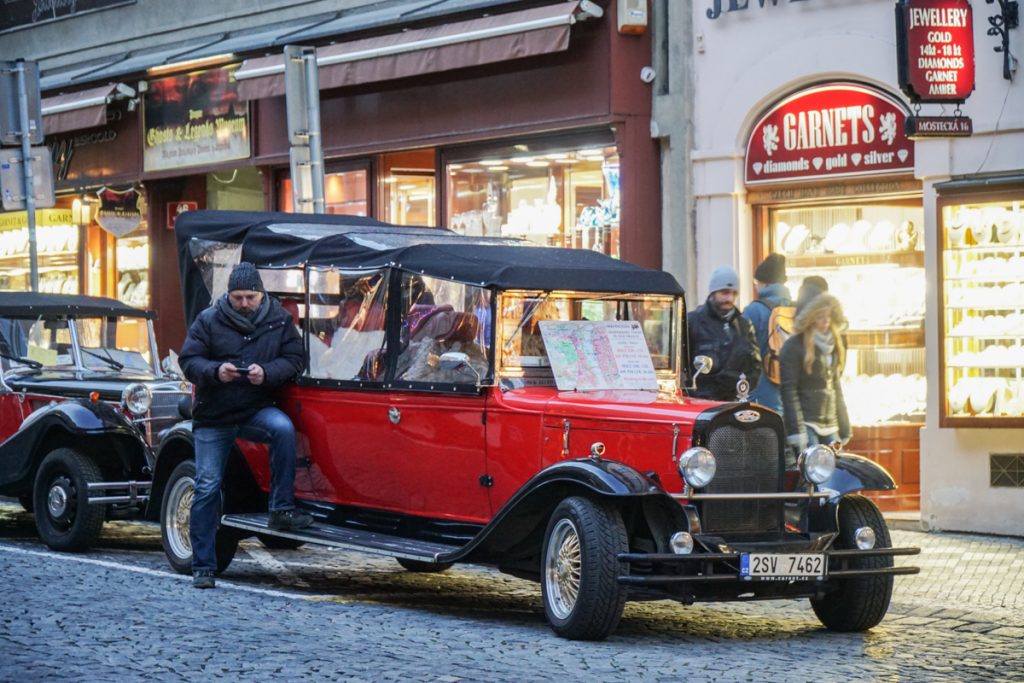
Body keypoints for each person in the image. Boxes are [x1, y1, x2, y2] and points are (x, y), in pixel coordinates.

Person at [179, 262, 310, 589]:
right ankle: (203, 567)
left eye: (250, 297)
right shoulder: (208, 319)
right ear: (229, 295)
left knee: (282, 429)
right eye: (238, 297)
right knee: (208, 486)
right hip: (214, 416)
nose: (244, 304)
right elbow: (188, 361)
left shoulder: (279, 320)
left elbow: (295, 358)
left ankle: (280, 509)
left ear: (260, 293)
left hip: (255, 408)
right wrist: (215, 371)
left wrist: (267, 373)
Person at [779, 292, 851, 465]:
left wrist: (844, 424)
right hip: (807, 423)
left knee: (834, 475)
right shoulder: (794, 346)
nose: (826, 322)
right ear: (811, 319)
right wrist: (797, 431)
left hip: (830, 423)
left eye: (828, 316)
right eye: (820, 317)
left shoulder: (833, 344)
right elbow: (789, 390)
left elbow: (835, 388)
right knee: (813, 474)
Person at [687, 266, 761, 401]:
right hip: (701, 403)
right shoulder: (693, 322)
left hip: (735, 402)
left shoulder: (744, 325)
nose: (729, 298)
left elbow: (755, 367)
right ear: (712, 292)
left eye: (734, 293)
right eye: (724, 292)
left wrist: (741, 387)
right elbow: (682, 369)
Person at [743, 253, 793, 412]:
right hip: (791, 398)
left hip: (762, 396)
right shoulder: (795, 309)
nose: (756, 287)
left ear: (763, 283)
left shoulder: (754, 311)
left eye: (756, 283)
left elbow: (742, 354)